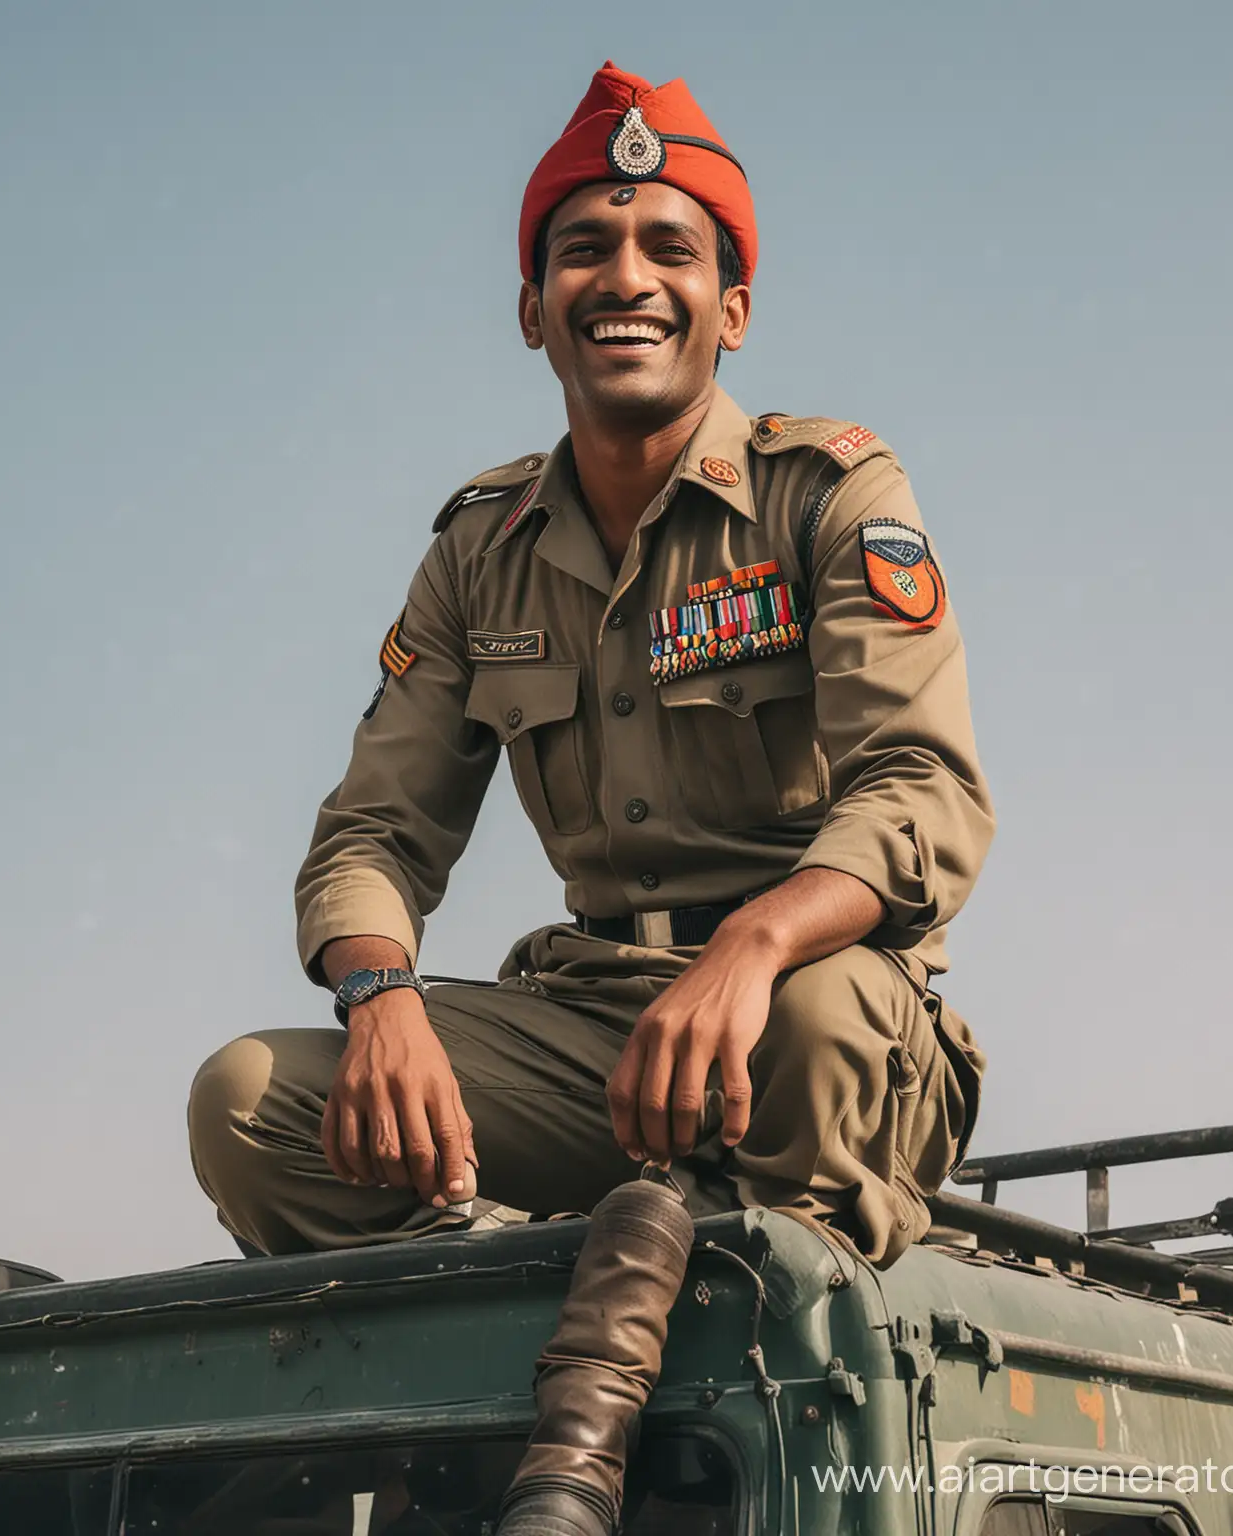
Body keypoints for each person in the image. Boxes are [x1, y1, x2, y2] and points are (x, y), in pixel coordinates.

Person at [188, 60, 995, 1270]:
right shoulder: (480, 549)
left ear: (732, 308)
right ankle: (516, 1283)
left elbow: (923, 793)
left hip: (809, 1017)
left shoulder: (828, 496)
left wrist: (752, 948)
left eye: (672, 249)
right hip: (594, 1036)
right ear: (532, 309)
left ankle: (744, 1287)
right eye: (583, 250)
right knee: (250, 1098)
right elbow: (372, 836)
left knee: (826, 1024)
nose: (626, 279)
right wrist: (380, 1001)